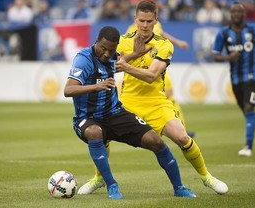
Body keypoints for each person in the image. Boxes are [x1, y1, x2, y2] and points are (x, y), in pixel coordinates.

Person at [78, 0, 228, 196]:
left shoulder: (164, 45)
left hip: (156, 103)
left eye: (150, 21)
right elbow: (106, 65)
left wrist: (127, 65)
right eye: (142, 21)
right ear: (135, 19)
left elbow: (151, 76)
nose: (145, 25)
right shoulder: (123, 41)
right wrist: (127, 58)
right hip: (127, 102)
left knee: (182, 137)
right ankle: (99, 178)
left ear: (156, 20)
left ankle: (206, 176)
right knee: (102, 132)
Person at [64, 26, 196, 199]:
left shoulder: (112, 57)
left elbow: (120, 62)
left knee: (155, 141)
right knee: (95, 133)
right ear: (96, 41)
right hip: (87, 119)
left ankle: (179, 188)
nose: (106, 54)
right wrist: (97, 86)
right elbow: (68, 90)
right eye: (103, 48)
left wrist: (136, 54)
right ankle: (112, 185)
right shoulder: (84, 59)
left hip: (114, 113)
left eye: (111, 50)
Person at [212, 2, 255, 157]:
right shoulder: (223, 33)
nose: (236, 14)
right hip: (235, 79)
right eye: (234, 12)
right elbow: (215, 56)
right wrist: (228, 57)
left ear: (244, 14)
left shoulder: (254, 30)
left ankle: (248, 146)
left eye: (239, 12)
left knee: (249, 108)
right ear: (230, 14)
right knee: (247, 113)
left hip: (253, 76)